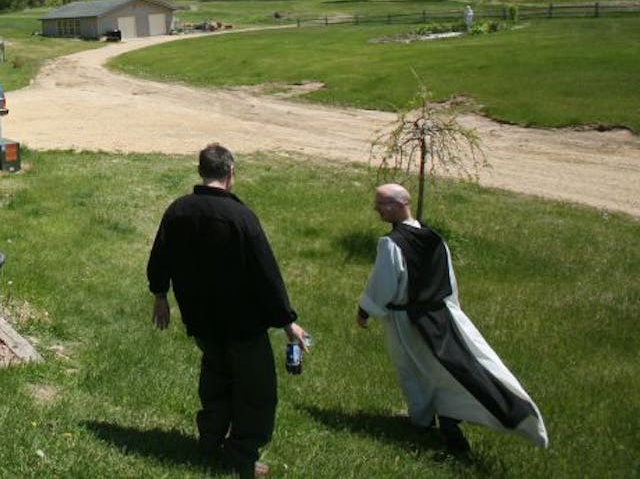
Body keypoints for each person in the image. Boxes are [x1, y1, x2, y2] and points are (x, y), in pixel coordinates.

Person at [148, 144, 310, 478]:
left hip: (201, 319)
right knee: (255, 390)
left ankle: (209, 439)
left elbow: (159, 257)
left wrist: (160, 296)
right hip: (242, 324)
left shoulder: (178, 210)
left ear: (200, 171)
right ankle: (242, 455)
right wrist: (287, 322)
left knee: (216, 376)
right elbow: (266, 275)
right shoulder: (241, 218)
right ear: (231, 172)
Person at [357, 184, 547, 452]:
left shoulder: (391, 244)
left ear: (401, 204)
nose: (376, 208)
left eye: (381, 203)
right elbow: (449, 281)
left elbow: (383, 284)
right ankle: (446, 414)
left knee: (410, 369)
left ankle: (422, 422)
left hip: (406, 321)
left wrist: (365, 310)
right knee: (443, 368)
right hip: (439, 317)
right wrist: (452, 312)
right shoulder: (435, 238)